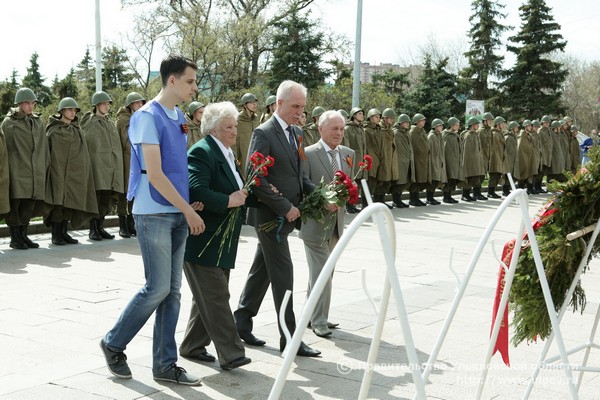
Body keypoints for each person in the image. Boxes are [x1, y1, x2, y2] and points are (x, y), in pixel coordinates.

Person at [100, 55, 205, 386]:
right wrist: (187, 210)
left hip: (176, 210)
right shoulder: (147, 116)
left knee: (172, 292)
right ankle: (113, 342)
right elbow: (155, 174)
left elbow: (177, 167)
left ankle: (165, 364)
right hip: (153, 212)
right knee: (157, 287)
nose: (195, 87)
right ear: (172, 80)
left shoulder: (179, 116)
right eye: (190, 81)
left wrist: (188, 203)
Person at [234, 80, 321, 358]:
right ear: (279, 104)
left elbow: (300, 175)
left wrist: (321, 196)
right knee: (284, 274)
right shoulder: (263, 132)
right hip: (269, 216)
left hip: (287, 215)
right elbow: (255, 176)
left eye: (302, 107)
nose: (300, 112)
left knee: (262, 270)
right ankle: (290, 338)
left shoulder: (296, 132)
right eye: (295, 106)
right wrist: (285, 207)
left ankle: (242, 320)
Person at [179, 101, 251, 371]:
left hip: (221, 239)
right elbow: (196, 189)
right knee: (217, 296)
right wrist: (229, 200)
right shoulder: (203, 151)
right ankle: (232, 353)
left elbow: (236, 190)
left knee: (208, 296)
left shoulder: (227, 153)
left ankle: (192, 345)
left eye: (234, 126)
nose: (234, 131)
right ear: (212, 129)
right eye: (228, 127)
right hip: (203, 238)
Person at [299, 110, 354, 338]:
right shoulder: (308, 154)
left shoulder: (348, 154)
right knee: (322, 270)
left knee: (323, 272)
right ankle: (319, 321)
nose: (339, 133)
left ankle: (310, 314)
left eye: (342, 129)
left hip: (336, 224)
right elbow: (303, 186)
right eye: (334, 129)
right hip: (315, 224)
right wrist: (323, 199)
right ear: (320, 129)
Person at [2, 87, 52, 250]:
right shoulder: (9, 123)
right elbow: (5, 149)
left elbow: (43, 147)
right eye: (27, 103)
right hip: (16, 170)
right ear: (19, 104)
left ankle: (23, 235)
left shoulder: (37, 122)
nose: (31, 106)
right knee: (15, 203)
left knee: (29, 204)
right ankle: (15, 237)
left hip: (34, 170)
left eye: (33, 103)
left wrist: (44, 166)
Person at [45, 97, 97, 245]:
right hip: (57, 171)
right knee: (58, 202)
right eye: (70, 110)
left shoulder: (77, 130)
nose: (73, 112)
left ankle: (63, 232)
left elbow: (83, 153)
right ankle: (55, 234)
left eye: (75, 110)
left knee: (70, 202)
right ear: (62, 111)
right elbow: (47, 152)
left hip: (74, 173)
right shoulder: (53, 130)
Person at [82, 91, 124, 241]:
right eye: (104, 104)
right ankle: (93, 229)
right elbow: (88, 145)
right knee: (96, 199)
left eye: (108, 104)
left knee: (106, 200)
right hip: (97, 168)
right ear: (96, 105)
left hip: (111, 169)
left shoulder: (109, 123)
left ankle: (100, 226)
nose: (107, 106)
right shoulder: (90, 122)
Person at [116, 92, 146, 238]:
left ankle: (131, 223)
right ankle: (122, 225)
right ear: (130, 105)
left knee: (135, 192)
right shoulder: (123, 120)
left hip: (138, 159)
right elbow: (120, 142)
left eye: (141, 102)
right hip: (125, 159)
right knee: (124, 192)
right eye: (137, 102)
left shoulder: (141, 118)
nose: (140, 105)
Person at [344, 107, 366, 211]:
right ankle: (349, 205)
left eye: (362, 114)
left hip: (361, 160)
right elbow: (347, 146)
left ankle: (354, 204)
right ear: (354, 115)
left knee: (359, 183)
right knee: (351, 182)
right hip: (352, 160)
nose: (362, 116)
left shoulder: (361, 129)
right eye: (359, 114)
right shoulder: (347, 129)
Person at [390, 113, 414, 208]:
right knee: (399, 182)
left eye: (408, 122)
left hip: (407, 160)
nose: (407, 124)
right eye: (405, 122)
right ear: (400, 123)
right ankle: (396, 200)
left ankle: (398, 199)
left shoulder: (406, 133)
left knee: (404, 181)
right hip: (399, 161)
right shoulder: (396, 133)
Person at [460, 117, 485, 202]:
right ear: (472, 125)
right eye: (476, 124)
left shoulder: (475, 135)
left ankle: (470, 194)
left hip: (475, 160)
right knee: (468, 178)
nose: (478, 126)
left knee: (474, 178)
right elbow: (467, 151)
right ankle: (465, 195)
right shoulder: (468, 136)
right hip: (469, 161)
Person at [236, 93, 260, 177]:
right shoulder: (238, 119)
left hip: (257, 155)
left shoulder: (256, 118)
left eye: (255, 102)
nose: (254, 104)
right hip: (244, 157)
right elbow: (235, 140)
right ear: (245, 105)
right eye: (251, 102)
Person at [408, 113, 429, 206]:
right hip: (417, 159)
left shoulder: (422, 131)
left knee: (420, 179)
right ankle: (413, 199)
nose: (424, 122)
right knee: (415, 179)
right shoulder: (413, 132)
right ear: (417, 121)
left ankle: (416, 198)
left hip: (423, 159)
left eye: (424, 120)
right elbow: (415, 146)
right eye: (422, 120)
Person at [442, 117, 462, 203]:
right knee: (448, 178)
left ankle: (449, 195)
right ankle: (446, 196)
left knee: (453, 179)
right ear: (452, 125)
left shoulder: (456, 135)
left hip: (456, 160)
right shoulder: (445, 135)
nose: (458, 127)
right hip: (448, 160)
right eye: (456, 125)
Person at [426, 118, 445, 205]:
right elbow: (428, 150)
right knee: (432, 180)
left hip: (438, 161)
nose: (442, 127)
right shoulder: (431, 136)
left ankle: (431, 197)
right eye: (440, 126)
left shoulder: (439, 136)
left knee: (436, 180)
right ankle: (429, 198)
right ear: (435, 126)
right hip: (433, 161)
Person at [514, 119, 536, 193]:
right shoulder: (522, 135)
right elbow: (520, 148)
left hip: (529, 158)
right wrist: (523, 159)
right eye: (529, 126)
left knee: (529, 174)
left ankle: (529, 189)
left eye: (531, 126)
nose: (530, 127)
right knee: (523, 174)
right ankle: (520, 190)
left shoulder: (528, 135)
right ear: (525, 127)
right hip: (524, 159)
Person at [487, 116, 506, 198]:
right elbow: (494, 149)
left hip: (499, 157)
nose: (504, 125)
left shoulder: (499, 133)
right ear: (498, 124)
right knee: (494, 175)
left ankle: (493, 191)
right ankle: (490, 192)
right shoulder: (495, 134)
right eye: (502, 123)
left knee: (497, 175)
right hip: (495, 158)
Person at [502, 121, 519, 195]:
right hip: (509, 160)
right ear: (512, 128)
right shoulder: (508, 138)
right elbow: (507, 150)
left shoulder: (513, 136)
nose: (517, 129)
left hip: (513, 159)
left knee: (511, 175)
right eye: (516, 127)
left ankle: (507, 189)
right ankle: (505, 190)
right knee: (507, 175)